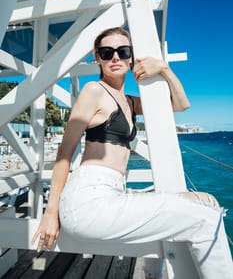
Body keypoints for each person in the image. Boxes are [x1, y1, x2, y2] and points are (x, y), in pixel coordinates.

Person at [32, 27, 233, 278]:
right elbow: (65, 151)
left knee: (203, 202)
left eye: (122, 51)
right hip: (88, 200)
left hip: (113, 193)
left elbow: (181, 104)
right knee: (206, 218)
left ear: (130, 57)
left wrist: (163, 69)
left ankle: (152, 275)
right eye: (107, 52)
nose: (114, 57)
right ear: (98, 58)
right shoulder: (93, 91)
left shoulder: (129, 101)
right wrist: (51, 213)